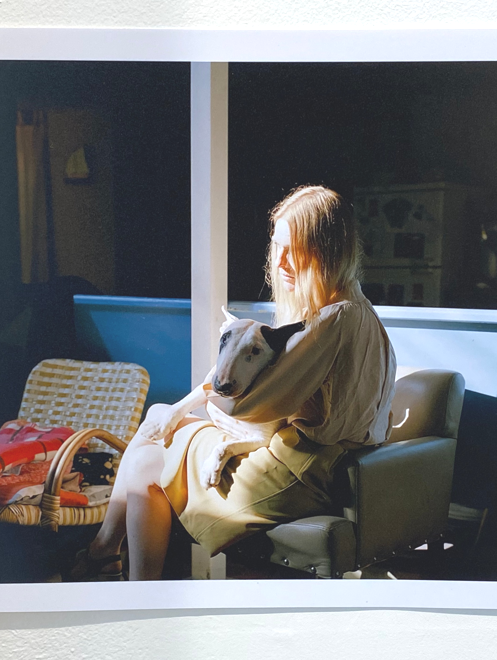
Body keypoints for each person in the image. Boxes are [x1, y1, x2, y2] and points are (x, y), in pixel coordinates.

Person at [70, 185, 396, 581]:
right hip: (307, 464)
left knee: (144, 460)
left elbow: (241, 404)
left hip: (296, 473)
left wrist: (205, 399)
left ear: (327, 253)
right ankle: (110, 559)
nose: (281, 262)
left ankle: (115, 566)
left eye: (294, 250)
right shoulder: (360, 312)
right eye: (277, 247)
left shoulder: (333, 321)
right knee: (158, 419)